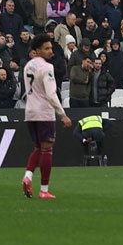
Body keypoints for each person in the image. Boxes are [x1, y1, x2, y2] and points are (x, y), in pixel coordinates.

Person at [21, 36, 73, 199]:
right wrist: (62, 115)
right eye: (47, 48)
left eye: (51, 48)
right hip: (44, 112)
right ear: (37, 51)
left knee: (37, 148)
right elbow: (51, 94)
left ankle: (28, 176)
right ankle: (44, 190)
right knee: (47, 150)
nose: (51, 51)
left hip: (30, 112)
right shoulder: (47, 67)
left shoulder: (28, 66)